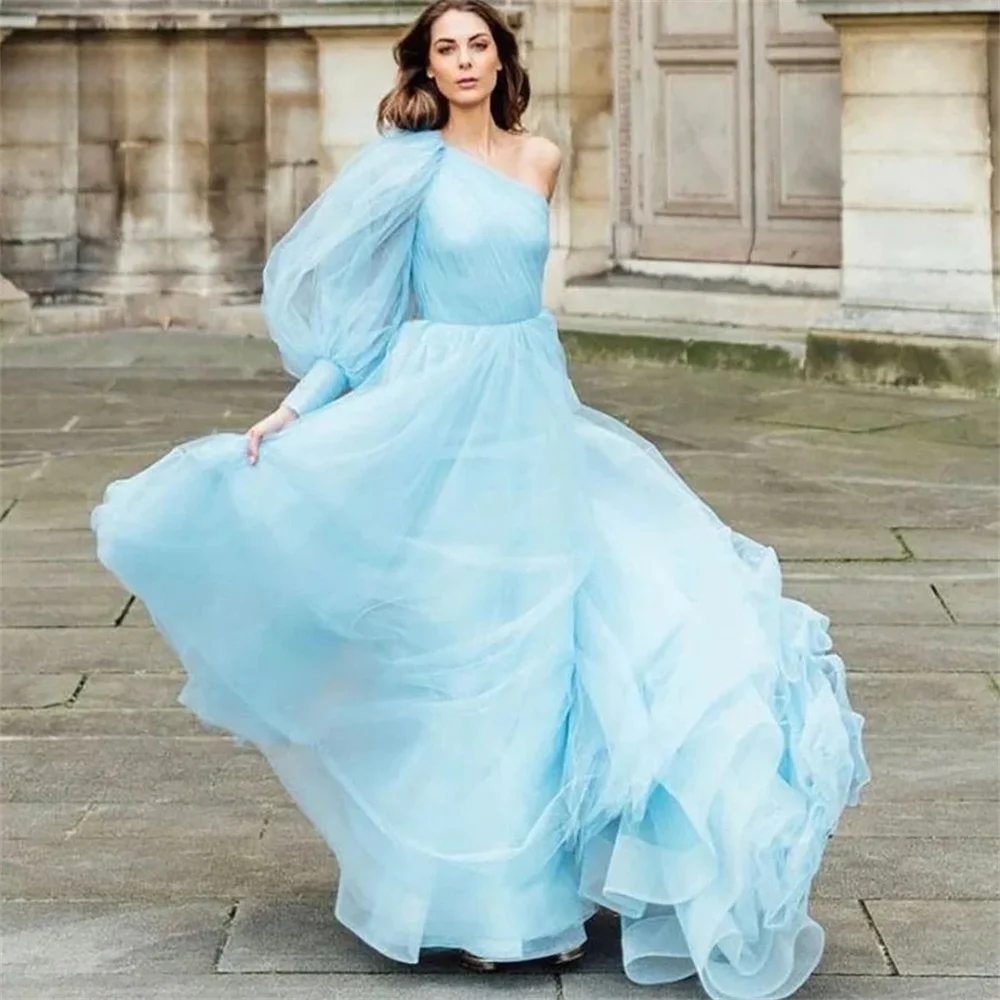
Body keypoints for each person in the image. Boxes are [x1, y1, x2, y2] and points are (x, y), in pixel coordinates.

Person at [91, 2, 869, 998]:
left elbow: (520, 303)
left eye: (478, 44)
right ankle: (480, 904)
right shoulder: (405, 168)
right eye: (445, 49)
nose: (463, 62)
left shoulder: (541, 157)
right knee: (462, 647)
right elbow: (368, 321)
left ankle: (533, 885)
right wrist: (296, 409)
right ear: (423, 64)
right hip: (436, 412)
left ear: (501, 57)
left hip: (530, 410)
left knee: (548, 642)